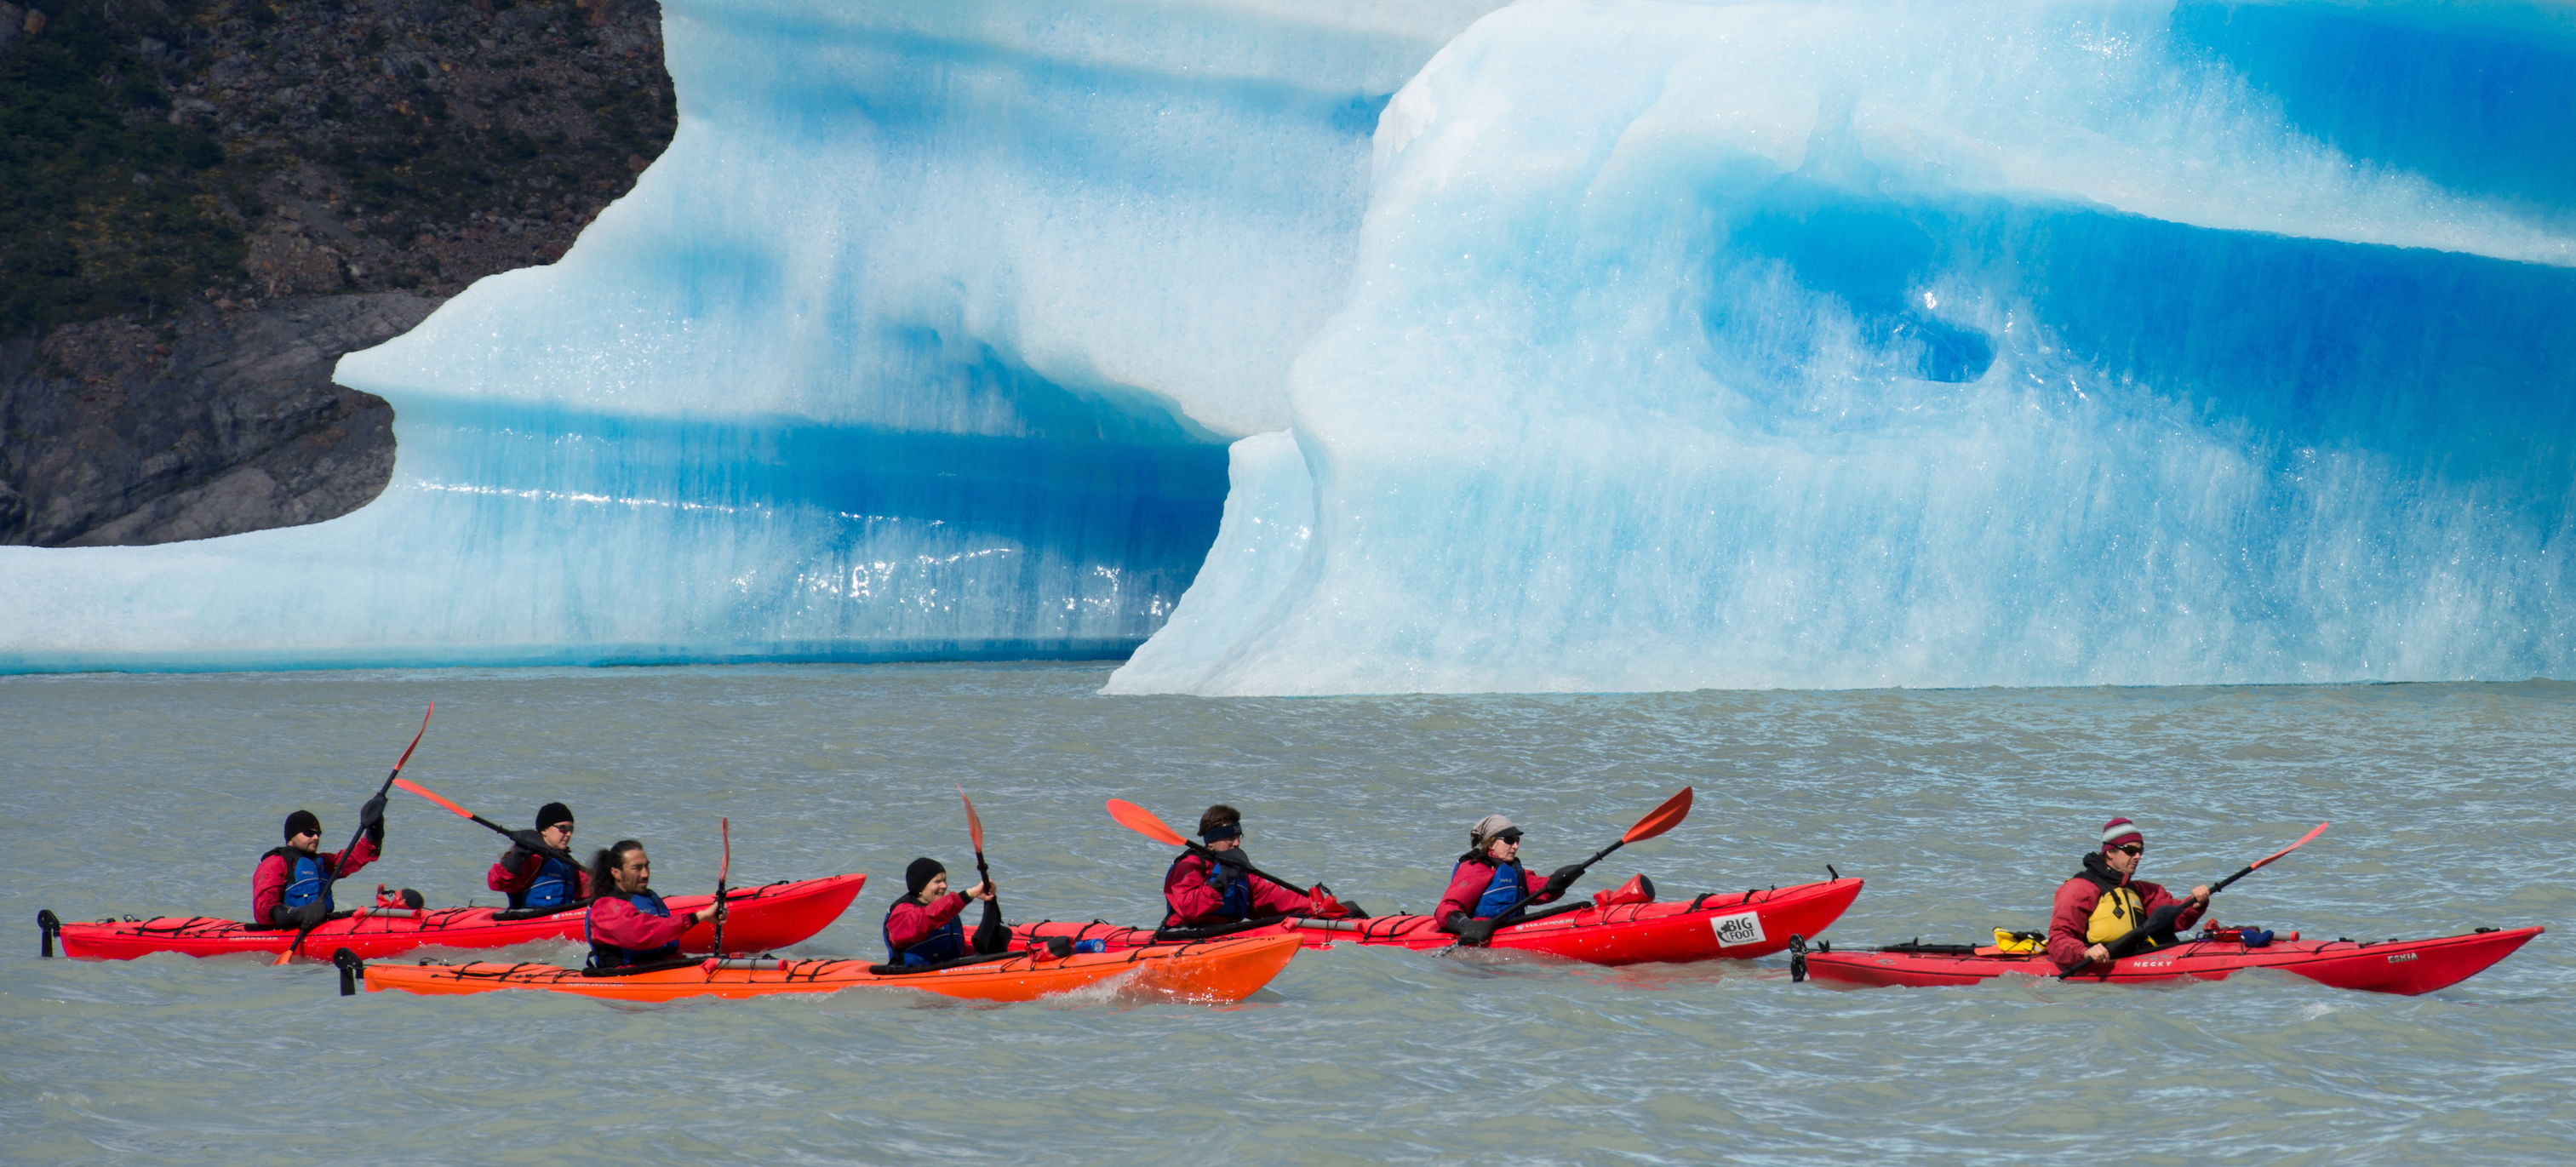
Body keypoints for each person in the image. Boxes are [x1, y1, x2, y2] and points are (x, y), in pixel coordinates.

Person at [2046, 817, 2212, 971]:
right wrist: (2084, 952)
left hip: (2140, 955)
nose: (2138, 857)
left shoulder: (2140, 890)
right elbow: (2058, 939)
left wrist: (2196, 904)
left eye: (2140, 851)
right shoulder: (2079, 888)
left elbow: (2174, 920)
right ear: (2110, 852)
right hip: (2099, 963)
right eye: (2131, 850)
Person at [1159, 804, 1344, 930]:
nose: (1237, 843)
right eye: (1229, 838)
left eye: (1238, 837)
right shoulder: (1189, 866)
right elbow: (1189, 908)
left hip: (1224, 934)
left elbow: (1276, 900)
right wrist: (1222, 880)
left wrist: (1319, 907)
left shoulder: (1241, 873)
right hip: (1186, 933)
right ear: (1210, 842)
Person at [1437, 815, 1584, 947]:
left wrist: (1562, 880)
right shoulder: (1475, 869)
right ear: (1490, 842)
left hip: (1512, 930)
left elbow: (1540, 889)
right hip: (1481, 936)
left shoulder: (1514, 870)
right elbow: (1447, 908)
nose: (1516, 846)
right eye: (1509, 840)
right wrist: (1465, 925)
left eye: (1517, 840)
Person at [252, 798, 386, 929]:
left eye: (318, 834)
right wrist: (298, 914)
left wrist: (375, 829)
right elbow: (263, 908)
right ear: (292, 835)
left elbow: (358, 856)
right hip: (291, 929)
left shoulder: (324, 862)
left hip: (322, 925)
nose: (316, 838)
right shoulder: (274, 863)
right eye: (309, 833)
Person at [583, 838, 716, 970]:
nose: (645, 874)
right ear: (616, 873)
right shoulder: (605, 907)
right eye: (637, 868)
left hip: (661, 970)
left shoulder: (650, 897)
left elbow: (669, 948)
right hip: (627, 974)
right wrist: (698, 917)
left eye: (646, 866)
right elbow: (640, 933)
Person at [883, 857, 992, 965]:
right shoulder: (902, 914)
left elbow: (960, 949)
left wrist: (987, 955)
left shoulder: (948, 912)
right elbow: (925, 918)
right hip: (913, 973)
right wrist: (967, 895)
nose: (944, 886)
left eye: (944, 880)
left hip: (950, 971)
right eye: (937, 881)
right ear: (920, 887)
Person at [487, 801, 590, 911]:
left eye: (571, 829)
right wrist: (518, 854)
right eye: (562, 828)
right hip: (530, 918)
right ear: (544, 830)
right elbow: (496, 883)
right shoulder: (532, 860)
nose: (568, 834)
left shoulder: (571, 864)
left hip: (563, 919)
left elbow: (589, 893)